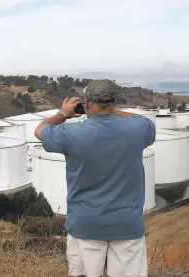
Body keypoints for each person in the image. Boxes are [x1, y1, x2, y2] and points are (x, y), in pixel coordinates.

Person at [34, 79, 156, 277]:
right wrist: (113, 112)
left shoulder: (71, 133)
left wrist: (63, 114)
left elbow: (39, 130)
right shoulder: (137, 129)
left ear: (87, 103)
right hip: (127, 225)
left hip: (85, 225)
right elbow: (147, 123)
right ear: (114, 102)